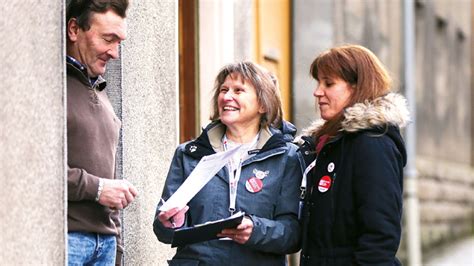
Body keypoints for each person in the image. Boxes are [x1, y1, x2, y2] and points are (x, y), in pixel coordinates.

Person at [153, 61, 302, 265]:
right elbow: (163, 231)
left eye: (238, 90)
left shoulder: (287, 157)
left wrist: (256, 230)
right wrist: (172, 222)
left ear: (263, 104)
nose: (226, 96)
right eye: (224, 90)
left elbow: (293, 234)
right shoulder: (189, 155)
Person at [297, 44, 409, 265]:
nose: (317, 92)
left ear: (358, 87)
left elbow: (380, 237)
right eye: (318, 82)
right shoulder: (328, 143)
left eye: (329, 83)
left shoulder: (373, 144)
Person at [66, 0, 138, 264]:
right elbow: (38, 173)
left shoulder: (101, 92)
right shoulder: (52, 88)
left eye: (119, 42)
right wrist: (98, 189)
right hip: (67, 239)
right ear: (74, 30)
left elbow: (111, 179)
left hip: (105, 246)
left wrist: (116, 247)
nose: (115, 53)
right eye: (109, 39)